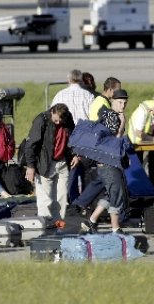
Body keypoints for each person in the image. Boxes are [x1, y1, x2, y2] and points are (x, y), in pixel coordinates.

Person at [83, 89, 130, 234]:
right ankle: (115, 227)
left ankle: (92, 220)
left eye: (125, 103)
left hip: (108, 161)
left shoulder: (109, 114)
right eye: (120, 102)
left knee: (112, 192)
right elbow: (113, 141)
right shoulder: (111, 116)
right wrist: (122, 124)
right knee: (116, 192)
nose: (122, 106)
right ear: (112, 101)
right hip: (108, 162)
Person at [24, 103, 77, 222]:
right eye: (56, 120)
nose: (58, 123)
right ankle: (45, 227)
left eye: (61, 121)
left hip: (62, 163)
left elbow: (74, 138)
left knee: (61, 199)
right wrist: (31, 166)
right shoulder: (41, 120)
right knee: (45, 199)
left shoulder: (67, 119)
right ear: (52, 112)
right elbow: (31, 144)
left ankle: (59, 228)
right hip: (45, 164)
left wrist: (75, 154)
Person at [52, 69, 95, 204]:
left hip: (67, 136)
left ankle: (70, 200)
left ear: (69, 80)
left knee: (70, 170)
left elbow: (52, 115)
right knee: (85, 171)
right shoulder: (88, 95)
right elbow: (93, 117)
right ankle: (86, 202)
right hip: (85, 137)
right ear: (81, 80)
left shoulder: (60, 95)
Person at [127, 98, 154, 194]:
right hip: (135, 143)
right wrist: (153, 139)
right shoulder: (144, 110)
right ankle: (135, 193)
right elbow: (138, 133)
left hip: (149, 143)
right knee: (136, 169)